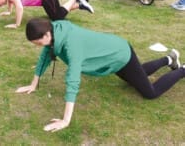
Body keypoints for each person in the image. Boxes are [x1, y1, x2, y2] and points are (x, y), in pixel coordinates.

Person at [16, 18, 185, 132]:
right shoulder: (54, 31)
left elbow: (73, 81)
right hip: (111, 56)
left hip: (119, 54)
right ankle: (169, 59)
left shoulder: (71, 45)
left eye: (38, 43)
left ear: (46, 35)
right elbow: (45, 57)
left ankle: (182, 69)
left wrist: (66, 120)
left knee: (150, 92)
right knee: (135, 76)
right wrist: (33, 84)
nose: (38, 46)